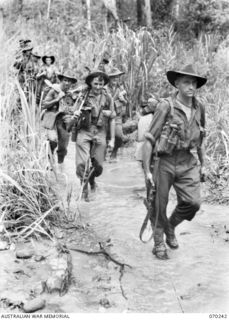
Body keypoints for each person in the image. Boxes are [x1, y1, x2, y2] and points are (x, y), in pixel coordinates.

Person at [142, 64, 207, 260]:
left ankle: (170, 226)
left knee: (193, 203)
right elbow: (149, 139)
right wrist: (147, 171)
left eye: (194, 82)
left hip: (188, 160)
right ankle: (159, 242)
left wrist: (203, 165)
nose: (191, 86)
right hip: (164, 160)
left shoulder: (199, 107)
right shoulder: (166, 106)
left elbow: (201, 139)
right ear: (177, 83)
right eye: (186, 82)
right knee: (159, 203)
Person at [73, 69, 116, 201]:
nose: (98, 87)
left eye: (100, 84)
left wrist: (112, 139)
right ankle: (84, 190)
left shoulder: (108, 98)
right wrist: (75, 114)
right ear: (90, 83)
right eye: (95, 84)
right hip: (84, 131)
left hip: (100, 132)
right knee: (82, 163)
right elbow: (74, 111)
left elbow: (113, 118)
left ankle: (92, 180)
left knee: (98, 166)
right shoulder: (83, 96)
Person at [41, 71, 77, 172]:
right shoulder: (54, 91)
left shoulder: (70, 94)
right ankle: (49, 161)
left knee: (63, 147)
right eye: (65, 80)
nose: (67, 83)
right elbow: (44, 105)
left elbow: (71, 109)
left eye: (69, 82)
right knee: (52, 140)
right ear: (61, 81)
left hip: (64, 121)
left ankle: (61, 166)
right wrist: (57, 99)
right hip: (52, 120)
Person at [107, 67, 129, 160]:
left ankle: (114, 152)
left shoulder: (121, 88)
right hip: (105, 115)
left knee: (119, 137)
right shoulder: (104, 88)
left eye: (117, 77)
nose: (116, 79)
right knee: (103, 137)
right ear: (109, 78)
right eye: (113, 77)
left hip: (117, 116)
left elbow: (126, 103)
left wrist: (123, 100)